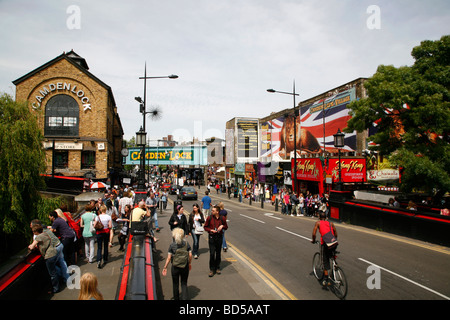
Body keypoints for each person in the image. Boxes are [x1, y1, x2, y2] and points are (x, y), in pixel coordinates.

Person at [29, 223, 67, 293]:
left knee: (52, 273)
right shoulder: (45, 234)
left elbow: (32, 246)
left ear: (36, 231)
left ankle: (56, 288)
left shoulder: (38, 237)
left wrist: (30, 246)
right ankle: (63, 276)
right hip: (54, 252)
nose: (33, 233)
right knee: (55, 268)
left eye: (33, 232)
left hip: (49, 255)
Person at [162, 227, 192, 300]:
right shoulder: (186, 244)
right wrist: (189, 263)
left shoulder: (172, 245)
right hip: (184, 266)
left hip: (175, 267)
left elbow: (169, 258)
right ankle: (184, 298)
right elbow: (190, 255)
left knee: (175, 284)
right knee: (184, 283)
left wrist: (165, 267)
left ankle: (176, 298)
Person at [311, 210, 338, 287]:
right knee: (332, 256)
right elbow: (335, 232)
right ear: (326, 217)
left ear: (319, 217)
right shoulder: (331, 223)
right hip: (334, 242)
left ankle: (326, 279)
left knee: (324, 261)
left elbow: (314, 233)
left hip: (325, 244)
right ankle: (335, 266)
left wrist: (313, 240)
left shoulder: (318, 223)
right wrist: (334, 239)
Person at [203, 205, 228, 277]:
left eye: (213, 211)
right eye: (212, 210)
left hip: (219, 237)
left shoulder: (222, 218)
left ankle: (217, 268)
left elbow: (226, 227)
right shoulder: (209, 218)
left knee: (218, 253)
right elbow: (205, 227)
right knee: (212, 253)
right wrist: (211, 230)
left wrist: (222, 226)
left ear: (217, 212)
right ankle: (211, 269)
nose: (212, 211)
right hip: (211, 237)